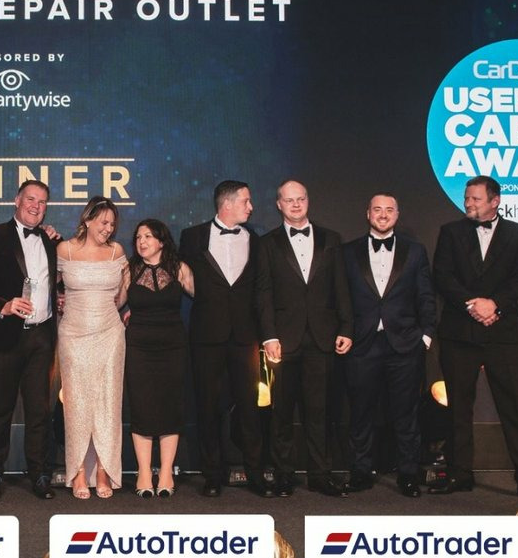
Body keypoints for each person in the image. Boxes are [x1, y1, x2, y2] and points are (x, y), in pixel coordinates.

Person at [429, 175, 518, 503]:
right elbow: (442, 276)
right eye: (467, 198)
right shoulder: (450, 232)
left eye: (476, 199)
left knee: (514, 408)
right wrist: (473, 305)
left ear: (495, 201)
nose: (469, 203)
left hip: (503, 333)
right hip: (459, 333)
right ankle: (459, 473)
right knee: (458, 407)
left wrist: (494, 304)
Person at [257, 178, 353, 497]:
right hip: (283, 340)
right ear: (279, 205)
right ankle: (284, 474)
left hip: (323, 338)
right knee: (282, 412)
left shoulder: (331, 239)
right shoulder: (267, 243)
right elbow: (263, 294)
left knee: (319, 411)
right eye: (289, 200)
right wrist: (269, 336)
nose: (296, 204)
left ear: (308, 201)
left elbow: (341, 287)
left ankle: (320, 475)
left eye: (301, 199)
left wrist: (346, 328)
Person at [0, 180, 58, 500]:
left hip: (41, 337)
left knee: (39, 411)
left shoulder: (51, 241)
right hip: (5, 337)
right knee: (0, 409)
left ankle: (40, 474)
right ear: (17, 200)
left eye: (42, 202)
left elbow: (55, 282)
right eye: (30, 199)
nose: (35, 206)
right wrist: (1, 306)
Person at [179, 180, 273, 498]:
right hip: (206, 335)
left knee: (249, 407)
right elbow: (179, 276)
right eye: (246, 201)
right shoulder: (192, 237)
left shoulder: (255, 240)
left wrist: (267, 335)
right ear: (227, 203)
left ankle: (255, 473)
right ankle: (212, 475)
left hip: (245, 336)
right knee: (207, 407)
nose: (251, 207)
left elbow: (261, 290)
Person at [342, 194, 436, 498]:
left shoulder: (415, 251)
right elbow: (340, 297)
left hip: (405, 344)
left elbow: (425, 295)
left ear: (397, 214)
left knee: (406, 414)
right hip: (362, 343)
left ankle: (408, 474)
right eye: (377, 209)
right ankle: (360, 471)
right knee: (361, 412)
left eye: (389, 210)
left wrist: (426, 335)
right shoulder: (348, 251)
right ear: (367, 213)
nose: (383, 215)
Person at [56, 196, 127, 499]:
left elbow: (123, 291)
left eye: (112, 224)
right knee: (76, 404)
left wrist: (120, 310)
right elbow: (47, 285)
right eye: (103, 222)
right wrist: (59, 302)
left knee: (109, 404)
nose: (108, 228)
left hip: (110, 333)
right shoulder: (65, 250)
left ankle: (103, 471)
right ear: (87, 220)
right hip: (73, 334)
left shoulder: (116, 252)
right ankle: (78, 473)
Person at [124, 219, 195, 498]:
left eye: (148, 236)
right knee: (141, 407)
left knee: (170, 406)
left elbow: (207, 296)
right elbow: (113, 302)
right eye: (138, 237)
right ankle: (143, 472)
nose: (142, 242)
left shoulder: (179, 268)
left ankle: (166, 472)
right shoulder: (129, 270)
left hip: (173, 347)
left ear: (162, 241)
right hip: (139, 347)